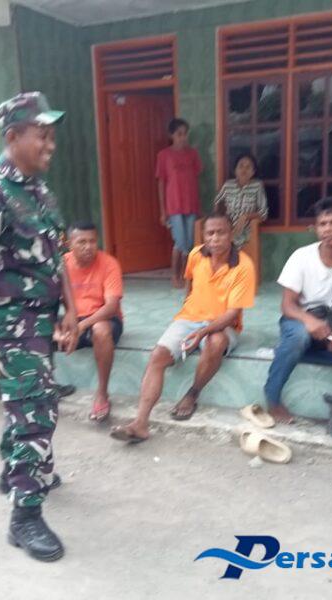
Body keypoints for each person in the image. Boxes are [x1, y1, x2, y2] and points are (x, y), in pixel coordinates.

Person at [0, 92, 79, 563]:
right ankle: (24, 516)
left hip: (40, 321)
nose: (51, 144)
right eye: (41, 135)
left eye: (52, 135)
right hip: (8, 325)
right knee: (36, 413)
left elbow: (57, 257)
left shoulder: (40, 193)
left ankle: (16, 470)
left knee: (30, 404)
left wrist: (70, 309)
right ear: (12, 136)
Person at [110, 213, 255, 443]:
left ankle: (192, 393)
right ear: (203, 236)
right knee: (158, 355)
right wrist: (190, 311)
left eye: (221, 232)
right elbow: (190, 283)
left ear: (231, 235)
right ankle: (140, 423)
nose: (215, 238)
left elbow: (231, 314)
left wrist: (202, 332)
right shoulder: (196, 254)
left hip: (224, 324)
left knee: (216, 342)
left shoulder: (243, 265)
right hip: (189, 318)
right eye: (210, 233)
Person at [263, 197, 332, 424]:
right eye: (322, 224)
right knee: (299, 337)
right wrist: (309, 321)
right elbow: (287, 305)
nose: (327, 229)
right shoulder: (301, 257)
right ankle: (272, 398)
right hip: (298, 322)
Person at [57, 222, 123, 422]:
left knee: (100, 329)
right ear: (69, 244)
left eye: (92, 241)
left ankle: (102, 393)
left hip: (103, 318)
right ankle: (46, 384)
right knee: (32, 325)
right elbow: (47, 302)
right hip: (73, 320)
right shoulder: (61, 264)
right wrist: (55, 330)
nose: (88, 247)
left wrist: (82, 326)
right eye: (82, 242)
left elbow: (111, 307)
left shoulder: (109, 263)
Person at [155, 117, 203, 288]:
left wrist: (198, 206)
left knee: (189, 244)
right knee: (180, 243)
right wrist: (163, 211)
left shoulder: (193, 154)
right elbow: (161, 183)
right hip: (174, 207)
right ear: (172, 135)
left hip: (191, 205)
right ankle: (175, 275)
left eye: (185, 134)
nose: (183, 137)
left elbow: (196, 181)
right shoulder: (164, 155)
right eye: (179, 134)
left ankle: (186, 275)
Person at [213, 153, 268, 248]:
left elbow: (263, 213)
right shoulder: (228, 186)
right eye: (241, 166)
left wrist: (245, 216)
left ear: (253, 172)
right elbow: (218, 204)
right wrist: (221, 220)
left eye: (248, 167)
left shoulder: (257, 186)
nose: (244, 170)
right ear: (235, 170)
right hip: (227, 228)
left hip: (247, 230)